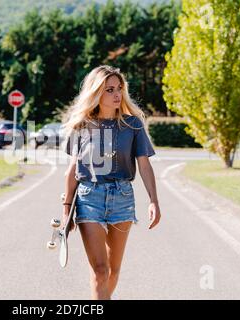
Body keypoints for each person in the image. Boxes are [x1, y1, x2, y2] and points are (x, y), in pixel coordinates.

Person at [61, 65, 161, 300]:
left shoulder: (133, 125)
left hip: (122, 197)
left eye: (119, 88)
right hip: (89, 197)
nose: (117, 94)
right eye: (109, 90)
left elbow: (144, 165)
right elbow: (72, 170)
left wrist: (154, 201)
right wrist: (66, 210)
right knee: (100, 270)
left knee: (113, 271)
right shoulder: (81, 126)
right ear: (96, 93)